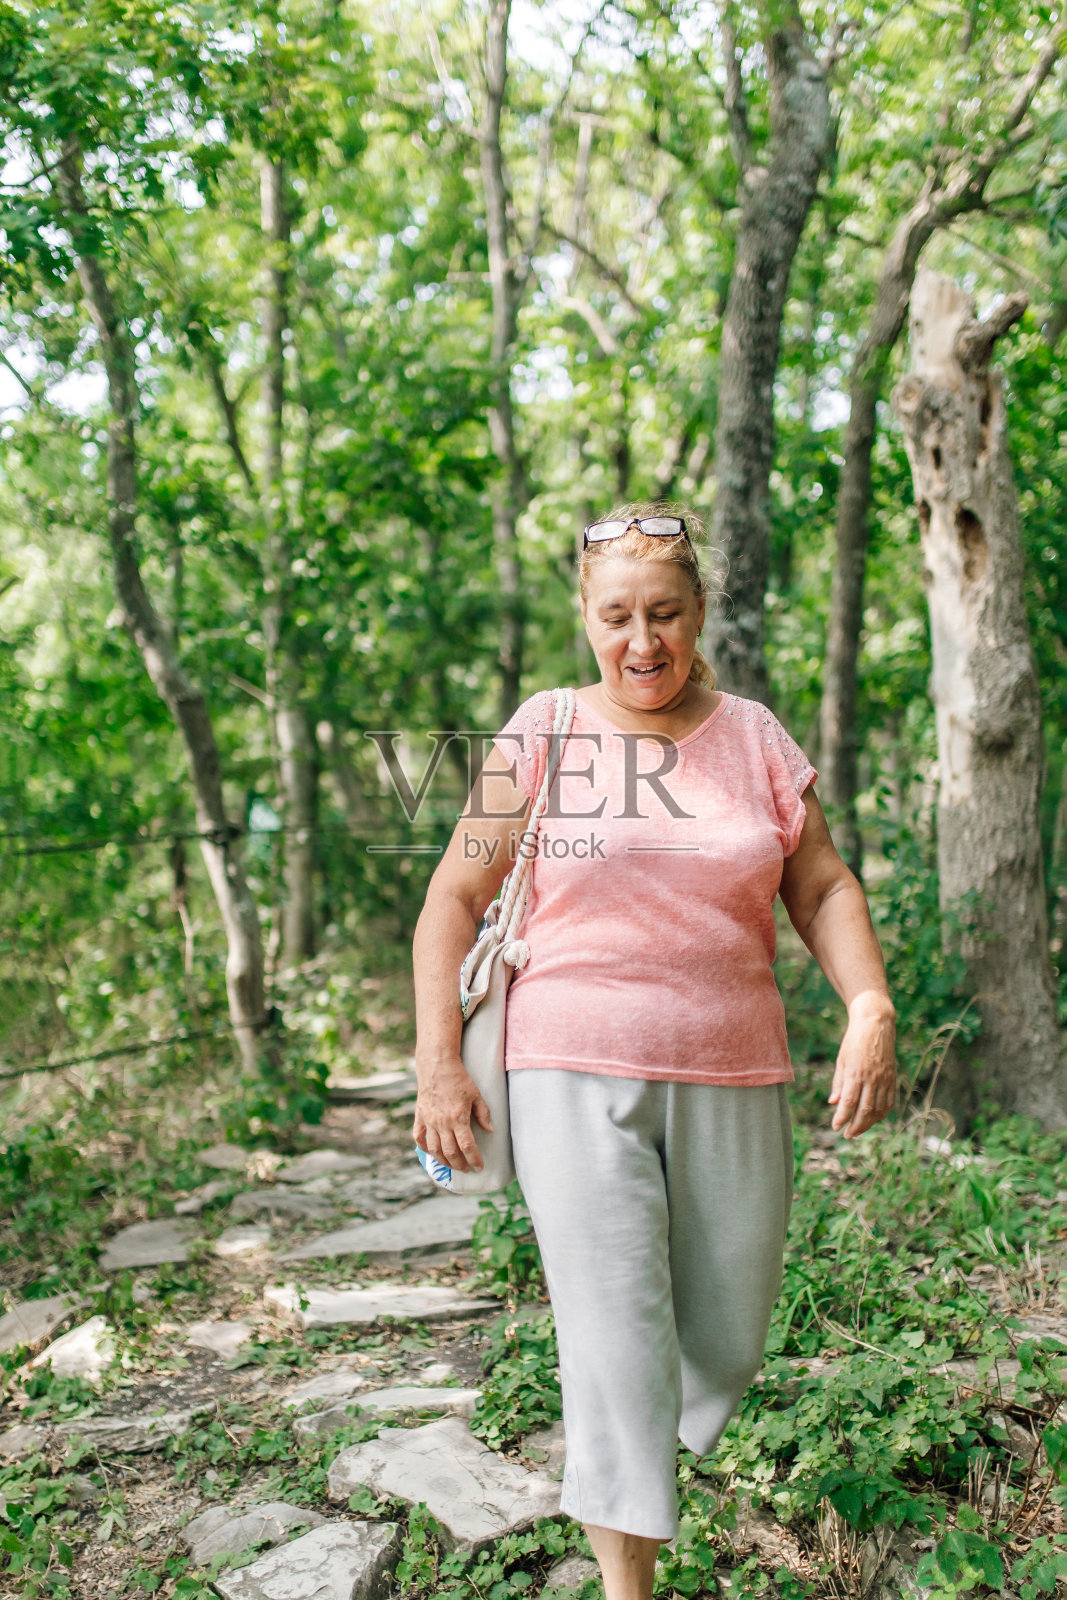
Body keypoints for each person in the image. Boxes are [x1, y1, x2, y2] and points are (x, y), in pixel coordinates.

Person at [411, 505, 897, 1600]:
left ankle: (634, 1453)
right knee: (613, 1345)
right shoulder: (543, 728)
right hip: (569, 1068)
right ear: (584, 616)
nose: (642, 641)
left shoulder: (755, 736)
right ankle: (631, 1582)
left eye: (664, 613)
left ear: (698, 612)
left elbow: (817, 885)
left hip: (736, 1071)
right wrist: (438, 1056)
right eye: (617, 615)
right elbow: (452, 894)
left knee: (721, 1344)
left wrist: (866, 1002)